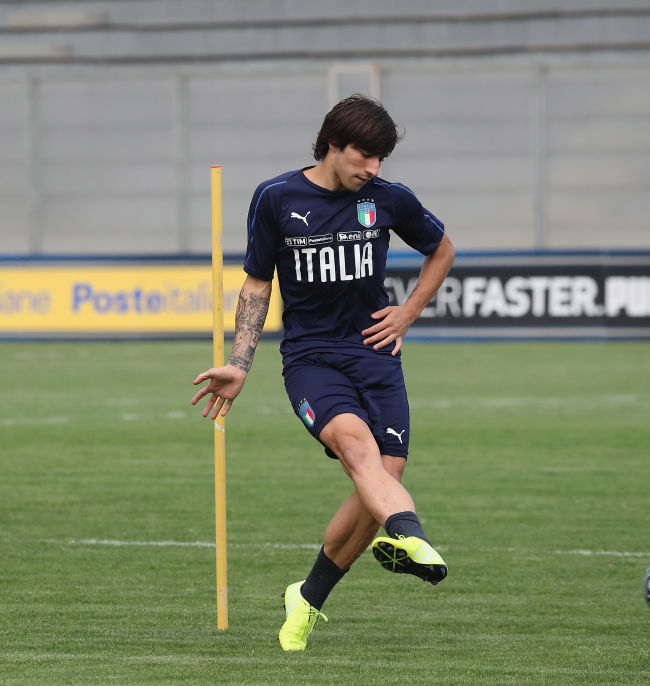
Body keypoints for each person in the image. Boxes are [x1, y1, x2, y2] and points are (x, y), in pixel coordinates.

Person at [191, 94, 455, 652]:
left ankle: (306, 598)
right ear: (333, 145)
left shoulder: (389, 199)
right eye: (364, 155)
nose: (373, 169)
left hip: (376, 354)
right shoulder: (277, 197)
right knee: (359, 452)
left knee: (381, 479)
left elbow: (443, 248)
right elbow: (258, 283)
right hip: (311, 359)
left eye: (381, 158)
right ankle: (412, 536)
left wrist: (409, 312)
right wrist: (240, 364)